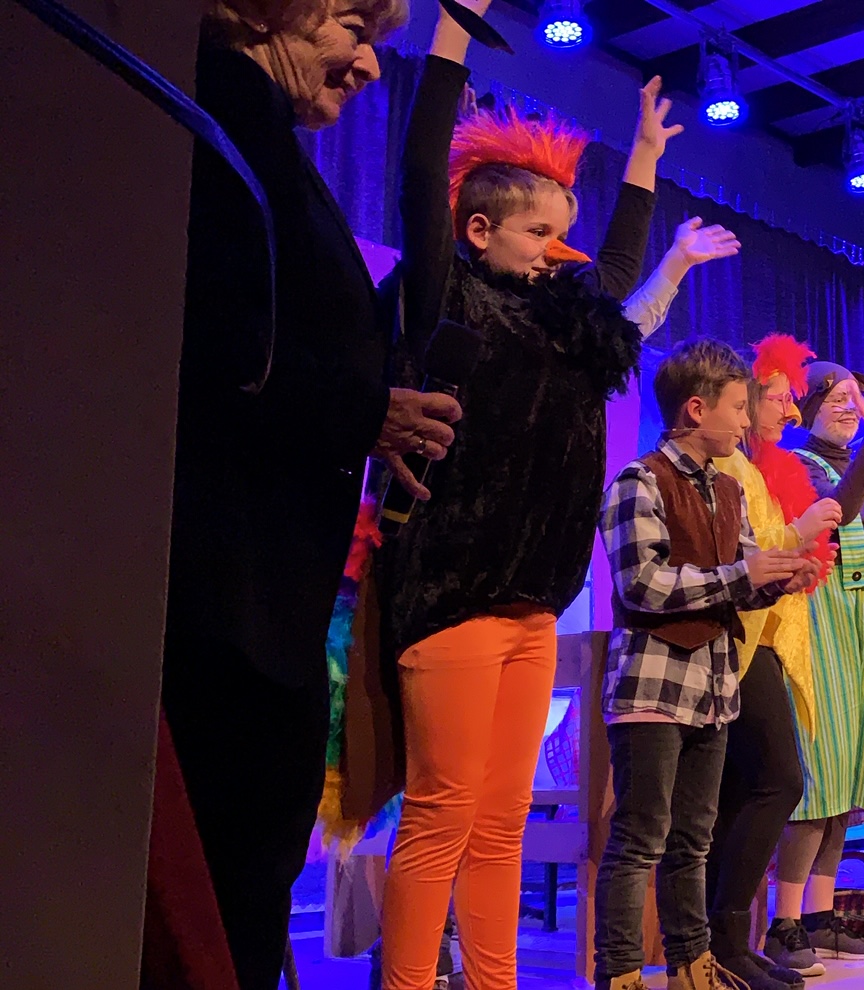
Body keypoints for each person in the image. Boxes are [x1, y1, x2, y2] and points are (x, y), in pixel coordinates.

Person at [374, 10, 739, 985]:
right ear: (478, 230)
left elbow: (612, 272)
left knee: (499, 820)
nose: (556, 252)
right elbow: (420, 176)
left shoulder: (568, 325)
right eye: (539, 233)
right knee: (442, 814)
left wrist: (645, 159)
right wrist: (451, 34)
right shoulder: (449, 292)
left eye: (561, 234)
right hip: (453, 592)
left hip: (534, 602)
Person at [162, 3, 452, 987]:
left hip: (261, 590)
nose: (367, 63)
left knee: (249, 870)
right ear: (265, 9)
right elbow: (220, 341)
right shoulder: (221, 117)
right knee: (226, 873)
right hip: (226, 592)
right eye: (352, 25)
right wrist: (365, 411)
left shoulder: (265, 136)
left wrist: (372, 408)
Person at [595, 339, 819, 990]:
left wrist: (776, 579)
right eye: (739, 408)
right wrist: (743, 574)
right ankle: (621, 973)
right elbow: (643, 585)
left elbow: (737, 580)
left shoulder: (728, 489)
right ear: (696, 409)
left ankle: (692, 967)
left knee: (694, 838)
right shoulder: (639, 480)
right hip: (654, 683)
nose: (747, 422)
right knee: (641, 837)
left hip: (713, 686)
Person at [704, 337, 843, 990]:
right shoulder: (728, 466)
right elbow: (743, 551)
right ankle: (723, 939)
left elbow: (762, 550)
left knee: (742, 791)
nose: (791, 412)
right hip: (739, 638)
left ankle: (728, 942)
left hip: (761, 633)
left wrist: (796, 562)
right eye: (781, 399)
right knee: (779, 780)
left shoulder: (756, 469)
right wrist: (801, 534)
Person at [767, 363, 864, 973]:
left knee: (848, 774)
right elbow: (837, 514)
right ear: (811, 404)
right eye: (838, 398)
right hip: (822, 613)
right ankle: (784, 922)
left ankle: (820, 917)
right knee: (818, 772)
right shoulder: (799, 464)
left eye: (856, 399)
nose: (849, 408)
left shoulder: (862, 466)